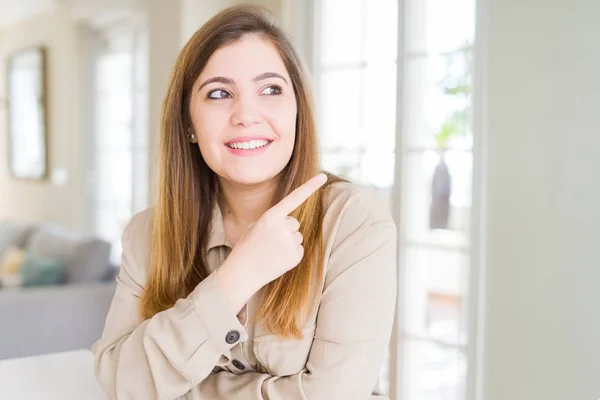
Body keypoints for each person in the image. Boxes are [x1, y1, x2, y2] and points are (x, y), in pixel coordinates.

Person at [92, 4, 397, 400]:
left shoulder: (353, 221)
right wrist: (237, 277)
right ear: (188, 122)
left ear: (297, 110)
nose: (246, 115)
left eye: (270, 89)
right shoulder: (146, 234)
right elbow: (118, 384)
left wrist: (181, 387)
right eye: (219, 93)